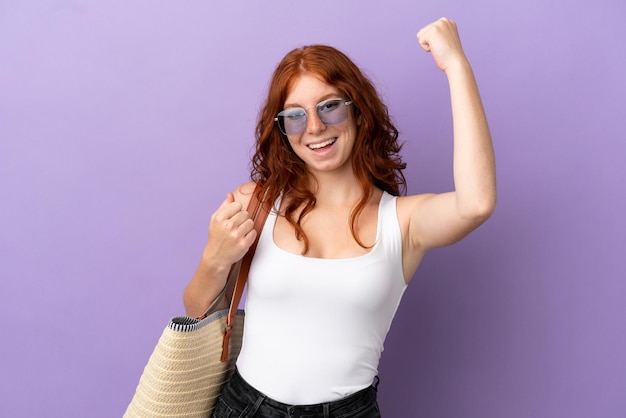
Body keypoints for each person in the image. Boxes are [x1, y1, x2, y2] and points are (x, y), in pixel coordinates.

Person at [184, 17, 496, 418]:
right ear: (282, 130)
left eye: (329, 107)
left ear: (358, 112)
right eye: (294, 115)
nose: (314, 127)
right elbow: (198, 313)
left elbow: (477, 203)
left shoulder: (402, 223)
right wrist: (215, 255)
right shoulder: (255, 203)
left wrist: (456, 65)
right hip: (243, 407)